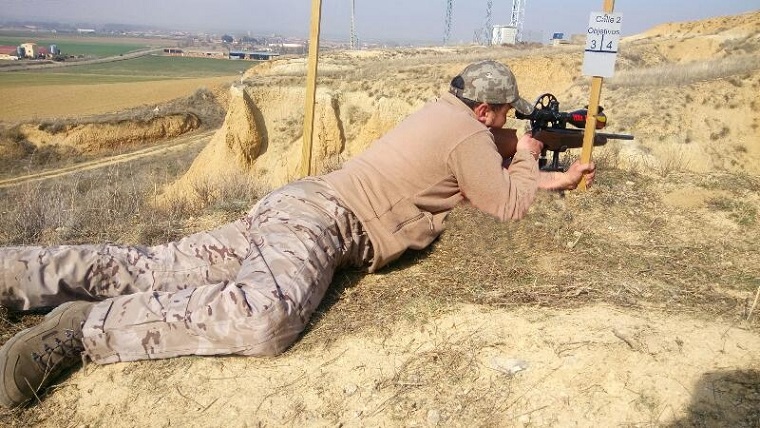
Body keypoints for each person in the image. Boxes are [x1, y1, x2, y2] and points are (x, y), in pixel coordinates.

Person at [0, 60, 595, 408]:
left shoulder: (444, 115)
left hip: (296, 203)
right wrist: (529, 153)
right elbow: (506, 203)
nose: (508, 121)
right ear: (486, 111)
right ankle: (83, 331)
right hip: (323, 221)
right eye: (506, 113)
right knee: (266, 316)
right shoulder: (471, 136)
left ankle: (14, 272)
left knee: (156, 265)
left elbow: (485, 175)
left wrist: (554, 175)